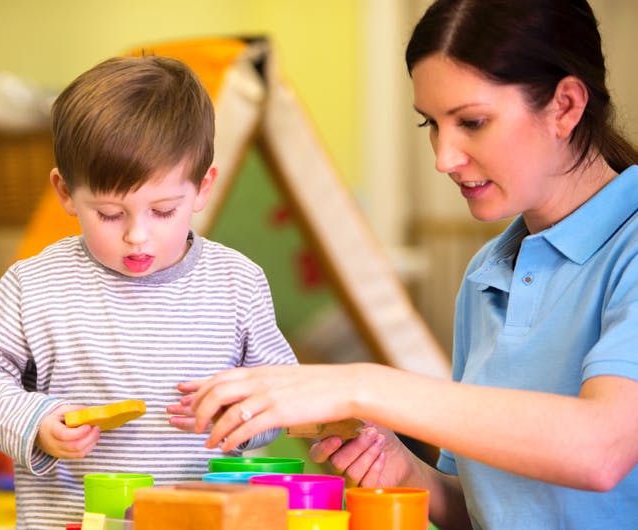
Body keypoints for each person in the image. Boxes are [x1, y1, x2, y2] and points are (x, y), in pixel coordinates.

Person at [179, 0, 638, 528]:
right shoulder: (488, 274)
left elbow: (602, 448)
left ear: (565, 106)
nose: (444, 157)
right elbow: (482, 506)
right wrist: (405, 472)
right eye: (432, 124)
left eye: (472, 121)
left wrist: (364, 384)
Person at [0, 55, 297, 530]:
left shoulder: (237, 283)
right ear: (66, 192)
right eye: (111, 214)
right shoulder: (35, 285)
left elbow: (283, 395)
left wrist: (238, 417)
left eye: (163, 210)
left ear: (202, 187)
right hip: (70, 520)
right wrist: (36, 421)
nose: (138, 236)